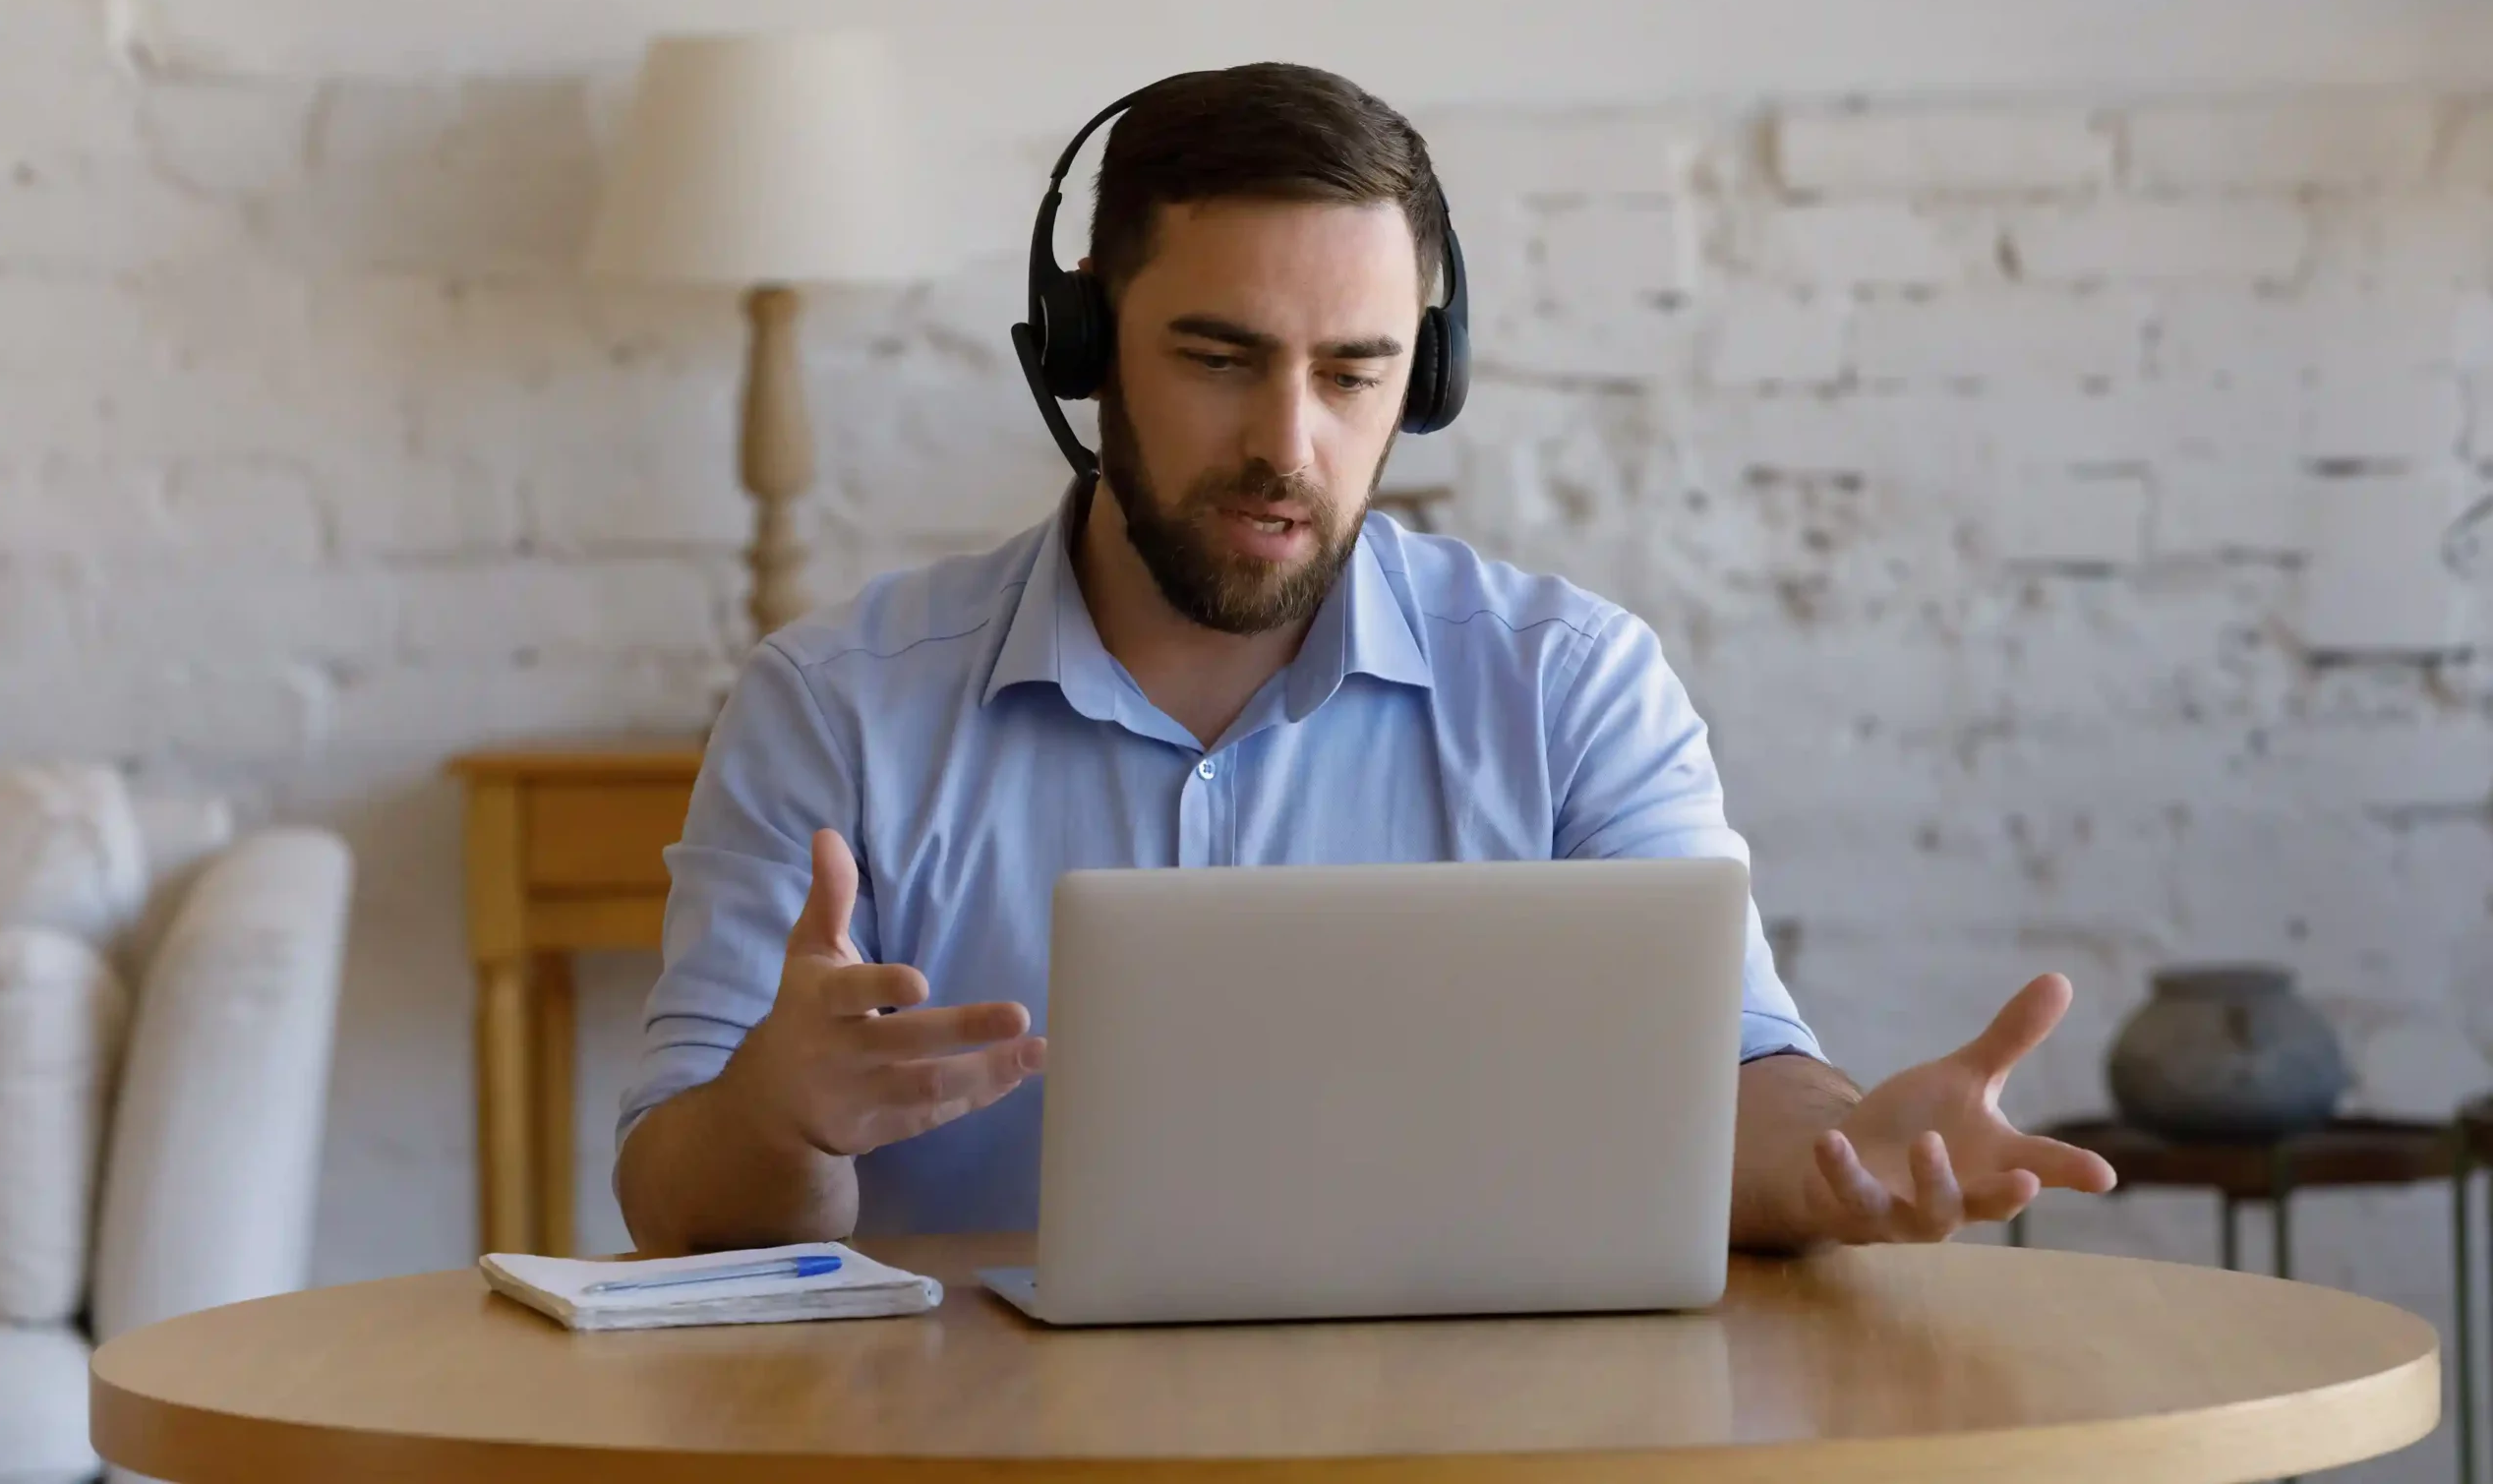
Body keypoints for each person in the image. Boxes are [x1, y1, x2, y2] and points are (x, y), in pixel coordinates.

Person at [614, 63, 2116, 1257]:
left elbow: (1728, 1088)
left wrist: (1854, 1150)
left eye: (1354, 372)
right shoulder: (835, 705)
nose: (1289, 443)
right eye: (1218, 360)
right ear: (1081, 344)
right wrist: (782, 1120)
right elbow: (679, 1206)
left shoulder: (1570, 686)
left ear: (1428, 375)